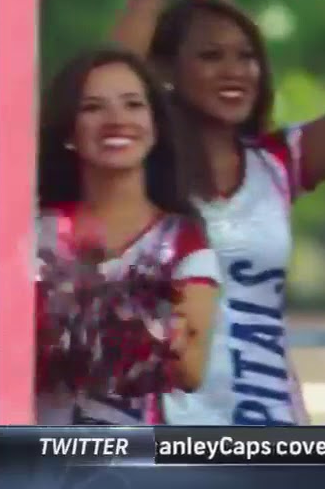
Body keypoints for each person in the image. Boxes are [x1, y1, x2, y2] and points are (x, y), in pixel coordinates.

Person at [111, 0, 325, 425]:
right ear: (164, 71)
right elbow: (109, 75)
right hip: (162, 436)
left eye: (246, 57)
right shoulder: (143, 165)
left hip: (270, 433)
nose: (235, 71)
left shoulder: (278, 164)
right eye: (210, 56)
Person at [36, 48, 219, 424]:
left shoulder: (185, 239)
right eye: (92, 107)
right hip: (37, 465)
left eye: (133, 104)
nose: (117, 120)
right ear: (68, 131)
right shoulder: (32, 234)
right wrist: (148, 332)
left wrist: (68, 326)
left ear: (155, 126)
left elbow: (190, 369)